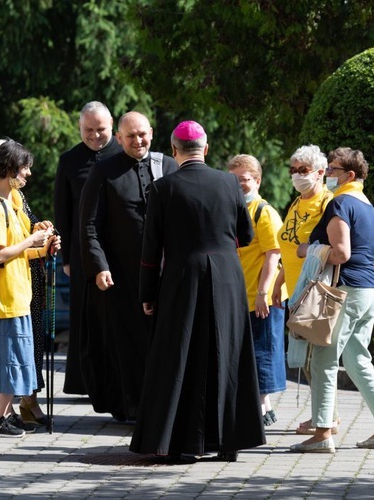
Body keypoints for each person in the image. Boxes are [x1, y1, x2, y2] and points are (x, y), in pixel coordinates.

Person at [130, 121, 266, 463]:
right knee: (227, 353)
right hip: (227, 279)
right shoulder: (229, 183)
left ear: (174, 152)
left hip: (182, 277)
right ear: (205, 149)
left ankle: (181, 445)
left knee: (182, 355)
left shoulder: (163, 188)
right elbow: (245, 235)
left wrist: (147, 293)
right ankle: (229, 442)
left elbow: (151, 250)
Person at [289, 147, 374, 453]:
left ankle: (323, 433)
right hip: (369, 290)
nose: (329, 174)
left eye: (334, 170)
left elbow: (341, 253)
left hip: (346, 290)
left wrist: (307, 250)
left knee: (324, 358)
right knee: (357, 359)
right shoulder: (368, 206)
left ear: (350, 175)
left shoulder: (340, 202)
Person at [79, 111, 178, 421]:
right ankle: (134, 408)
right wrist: (99, 266)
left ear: (151, 133)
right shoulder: (104, 171)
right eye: (131, 136)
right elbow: (89, 224)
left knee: (165, 342)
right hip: (122, 276)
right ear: (119, 138)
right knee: (130, 344)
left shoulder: (169, 167)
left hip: (165, 274)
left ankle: (165, 406)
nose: (138, 141)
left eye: (142, 134)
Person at [0, 139, 55, 437]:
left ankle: (0, 417)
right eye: (24, 168)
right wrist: (31, 242)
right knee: (13, 359)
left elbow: (17, 251)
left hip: (17, 293)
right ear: (8, 169)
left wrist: (43, 248)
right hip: (5, 295)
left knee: (14, 358)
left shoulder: (10, 203)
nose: (28, 175)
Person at [54, 101, 122, 395]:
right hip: (82, 252)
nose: (95, 135)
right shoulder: (70, 160)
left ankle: (119, 382)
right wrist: (67, 257)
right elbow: (63, 211)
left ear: (113, 127)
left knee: (117, 318)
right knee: (86, 318)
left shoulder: (123, 154)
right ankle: (84, 382)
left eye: (101, 129)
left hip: (120, 249)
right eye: (88, 130)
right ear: (80, 128)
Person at [271, 145, 337, 435]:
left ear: (321, 173)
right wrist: (278, 281)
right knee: (305, 357)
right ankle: (325, 414)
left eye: (303, 170)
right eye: (294, 170)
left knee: (313, 359)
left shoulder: (327, 203)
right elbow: (287, 245)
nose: (297, 175)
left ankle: (325, 417)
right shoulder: (297, 203)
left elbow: (330, 248)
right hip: (295, 290)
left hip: (314, 289)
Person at [227, 154, 287, 427]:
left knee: (263, 351)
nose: (239, 184)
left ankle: (262, 407)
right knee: (248, 352)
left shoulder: (265, 212)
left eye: (245, 179)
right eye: (234, 179)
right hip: (241, 295)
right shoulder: (235, 209)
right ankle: (260, 405)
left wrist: (264, 293)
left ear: (258, 180)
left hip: (262, 296)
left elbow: (273, 254)